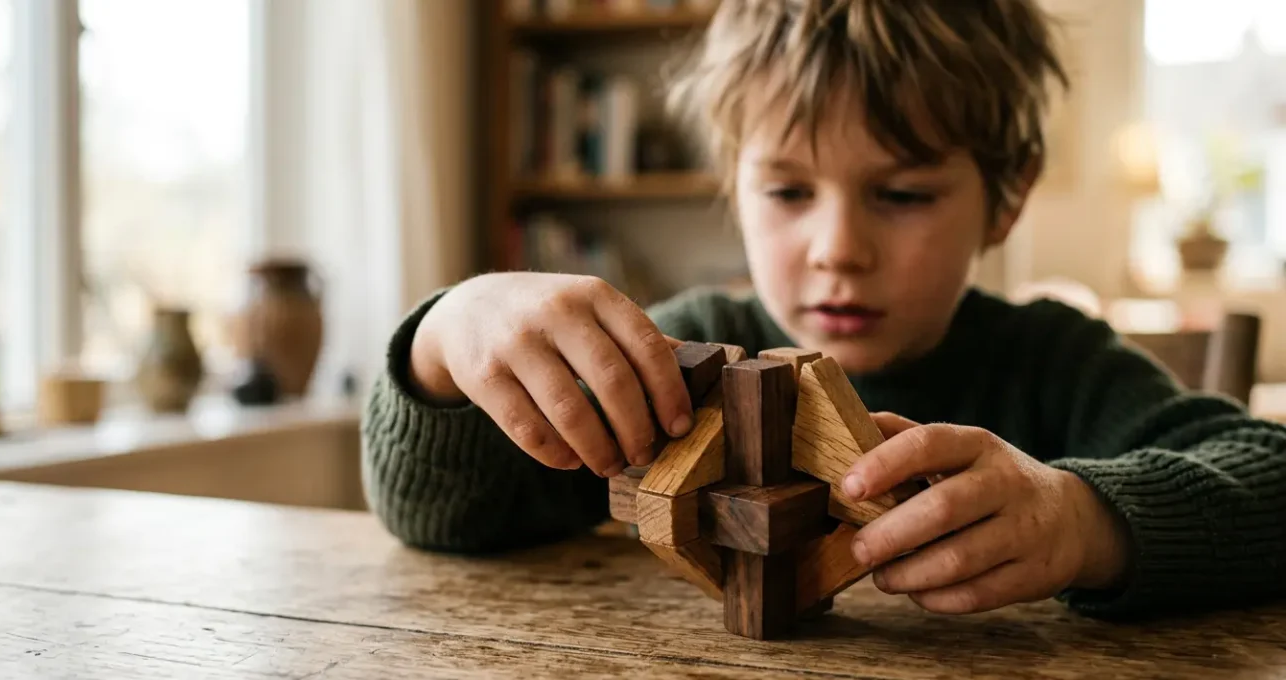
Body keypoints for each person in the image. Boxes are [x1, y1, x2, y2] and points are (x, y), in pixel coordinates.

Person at [361, 0, 1286, 619]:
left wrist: (1087, 520)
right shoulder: (673, 356)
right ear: (733, 187)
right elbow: (441, 515)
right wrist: (445, 340)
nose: (837, 247)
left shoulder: (1055, 362)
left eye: (905, 195)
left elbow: (1269, 478)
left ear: (1005, 200)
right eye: (789, 192)